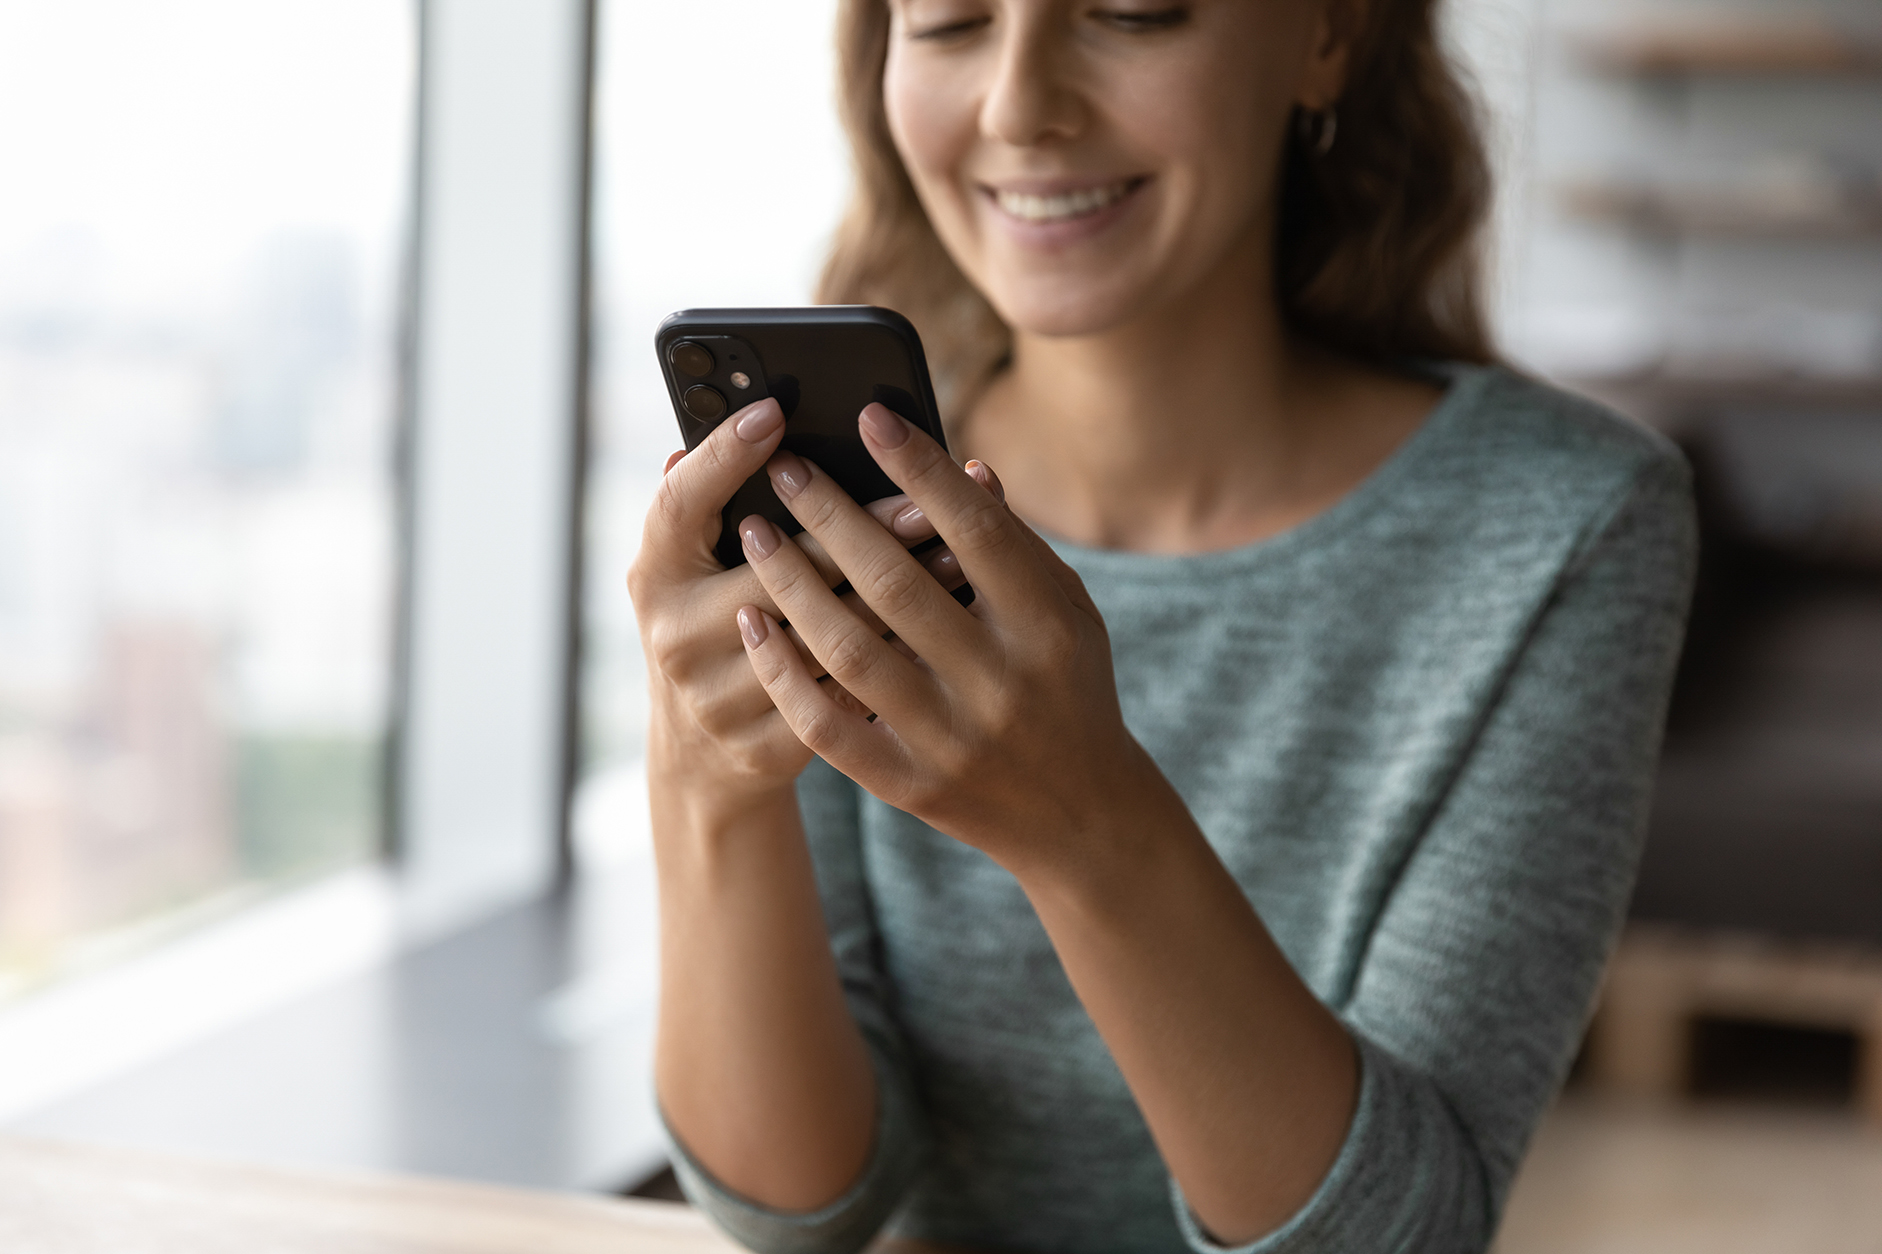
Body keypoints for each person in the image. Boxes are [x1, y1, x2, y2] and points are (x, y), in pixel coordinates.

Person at [626, 0, 1696, 1250]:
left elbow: (1401, 1235)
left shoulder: (1565, 524)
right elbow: (797, 1211)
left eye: (1132, 13)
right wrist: (705, 794)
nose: (1019, 104)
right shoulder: (848, 519)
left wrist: (1086, 824)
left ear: (1327, 38)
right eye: (952, 22)